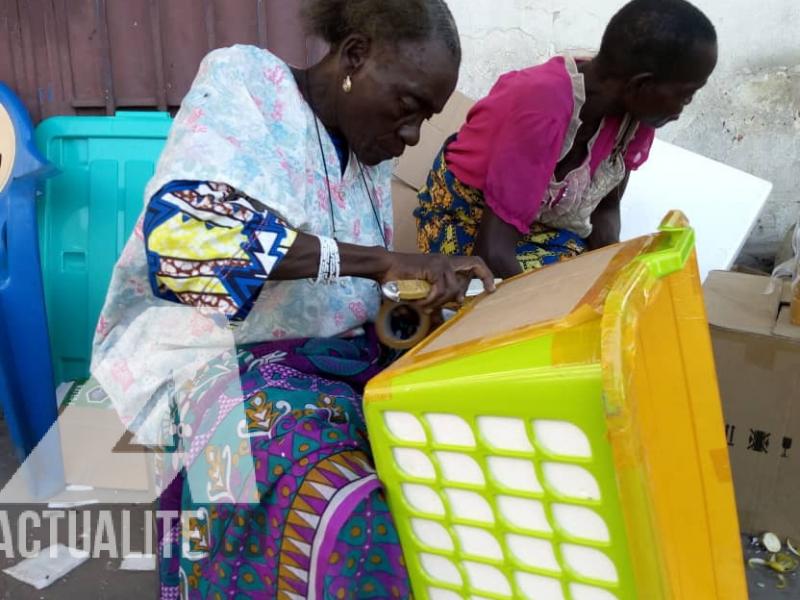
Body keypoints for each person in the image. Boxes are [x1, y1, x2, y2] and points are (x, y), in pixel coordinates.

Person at [90, 1, 493, 598]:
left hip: (324, 368)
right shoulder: (247, 81)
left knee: (452, 454)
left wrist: (422, 299)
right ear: (355, 55)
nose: (411, 136)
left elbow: (347, 300)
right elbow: (185, 246)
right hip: (208, 364)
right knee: (332, 503)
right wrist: (384, 260)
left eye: (425, 119)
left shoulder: (366, 159)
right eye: (409, 108)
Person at [415, 0, 718, 278]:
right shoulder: (542, 107)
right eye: (686, 94)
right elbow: (492, 252)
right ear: (642, 86)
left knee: (594, 275)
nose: (685, 106)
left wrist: (611, 275)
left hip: (530, 227)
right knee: (566, 284)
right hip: (465, 222)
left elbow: (606, 208)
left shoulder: (634, 118)